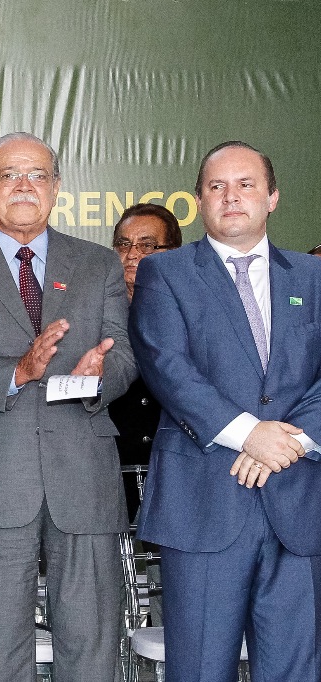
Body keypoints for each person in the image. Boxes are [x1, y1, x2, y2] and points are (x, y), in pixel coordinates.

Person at [0, 132, 137, 682]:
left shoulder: (97, 264)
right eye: (10, 174)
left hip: (83, 477)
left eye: (38, 175)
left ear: (57, 188)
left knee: (93, 646)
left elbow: (125, 355)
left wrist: (98, 376)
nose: (24, 186)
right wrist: (17, 372)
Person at [130, 141, 321, 680]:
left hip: (300, 505)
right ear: (198, 200)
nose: (231, 196)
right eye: (216, 186)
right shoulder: (164, 275)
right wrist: (248, 435)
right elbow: (167, 366)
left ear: (273, 198)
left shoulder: (313, 278)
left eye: (246, 185)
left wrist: (291, 442)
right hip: (203, 506)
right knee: (198, 669)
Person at [108, 203, 183, 520]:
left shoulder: (193, 315)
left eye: (148, 245)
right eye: (124, 244)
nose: (132, 253)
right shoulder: (90, 315)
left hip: (177, 471)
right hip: (109, 474)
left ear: (174, 252)